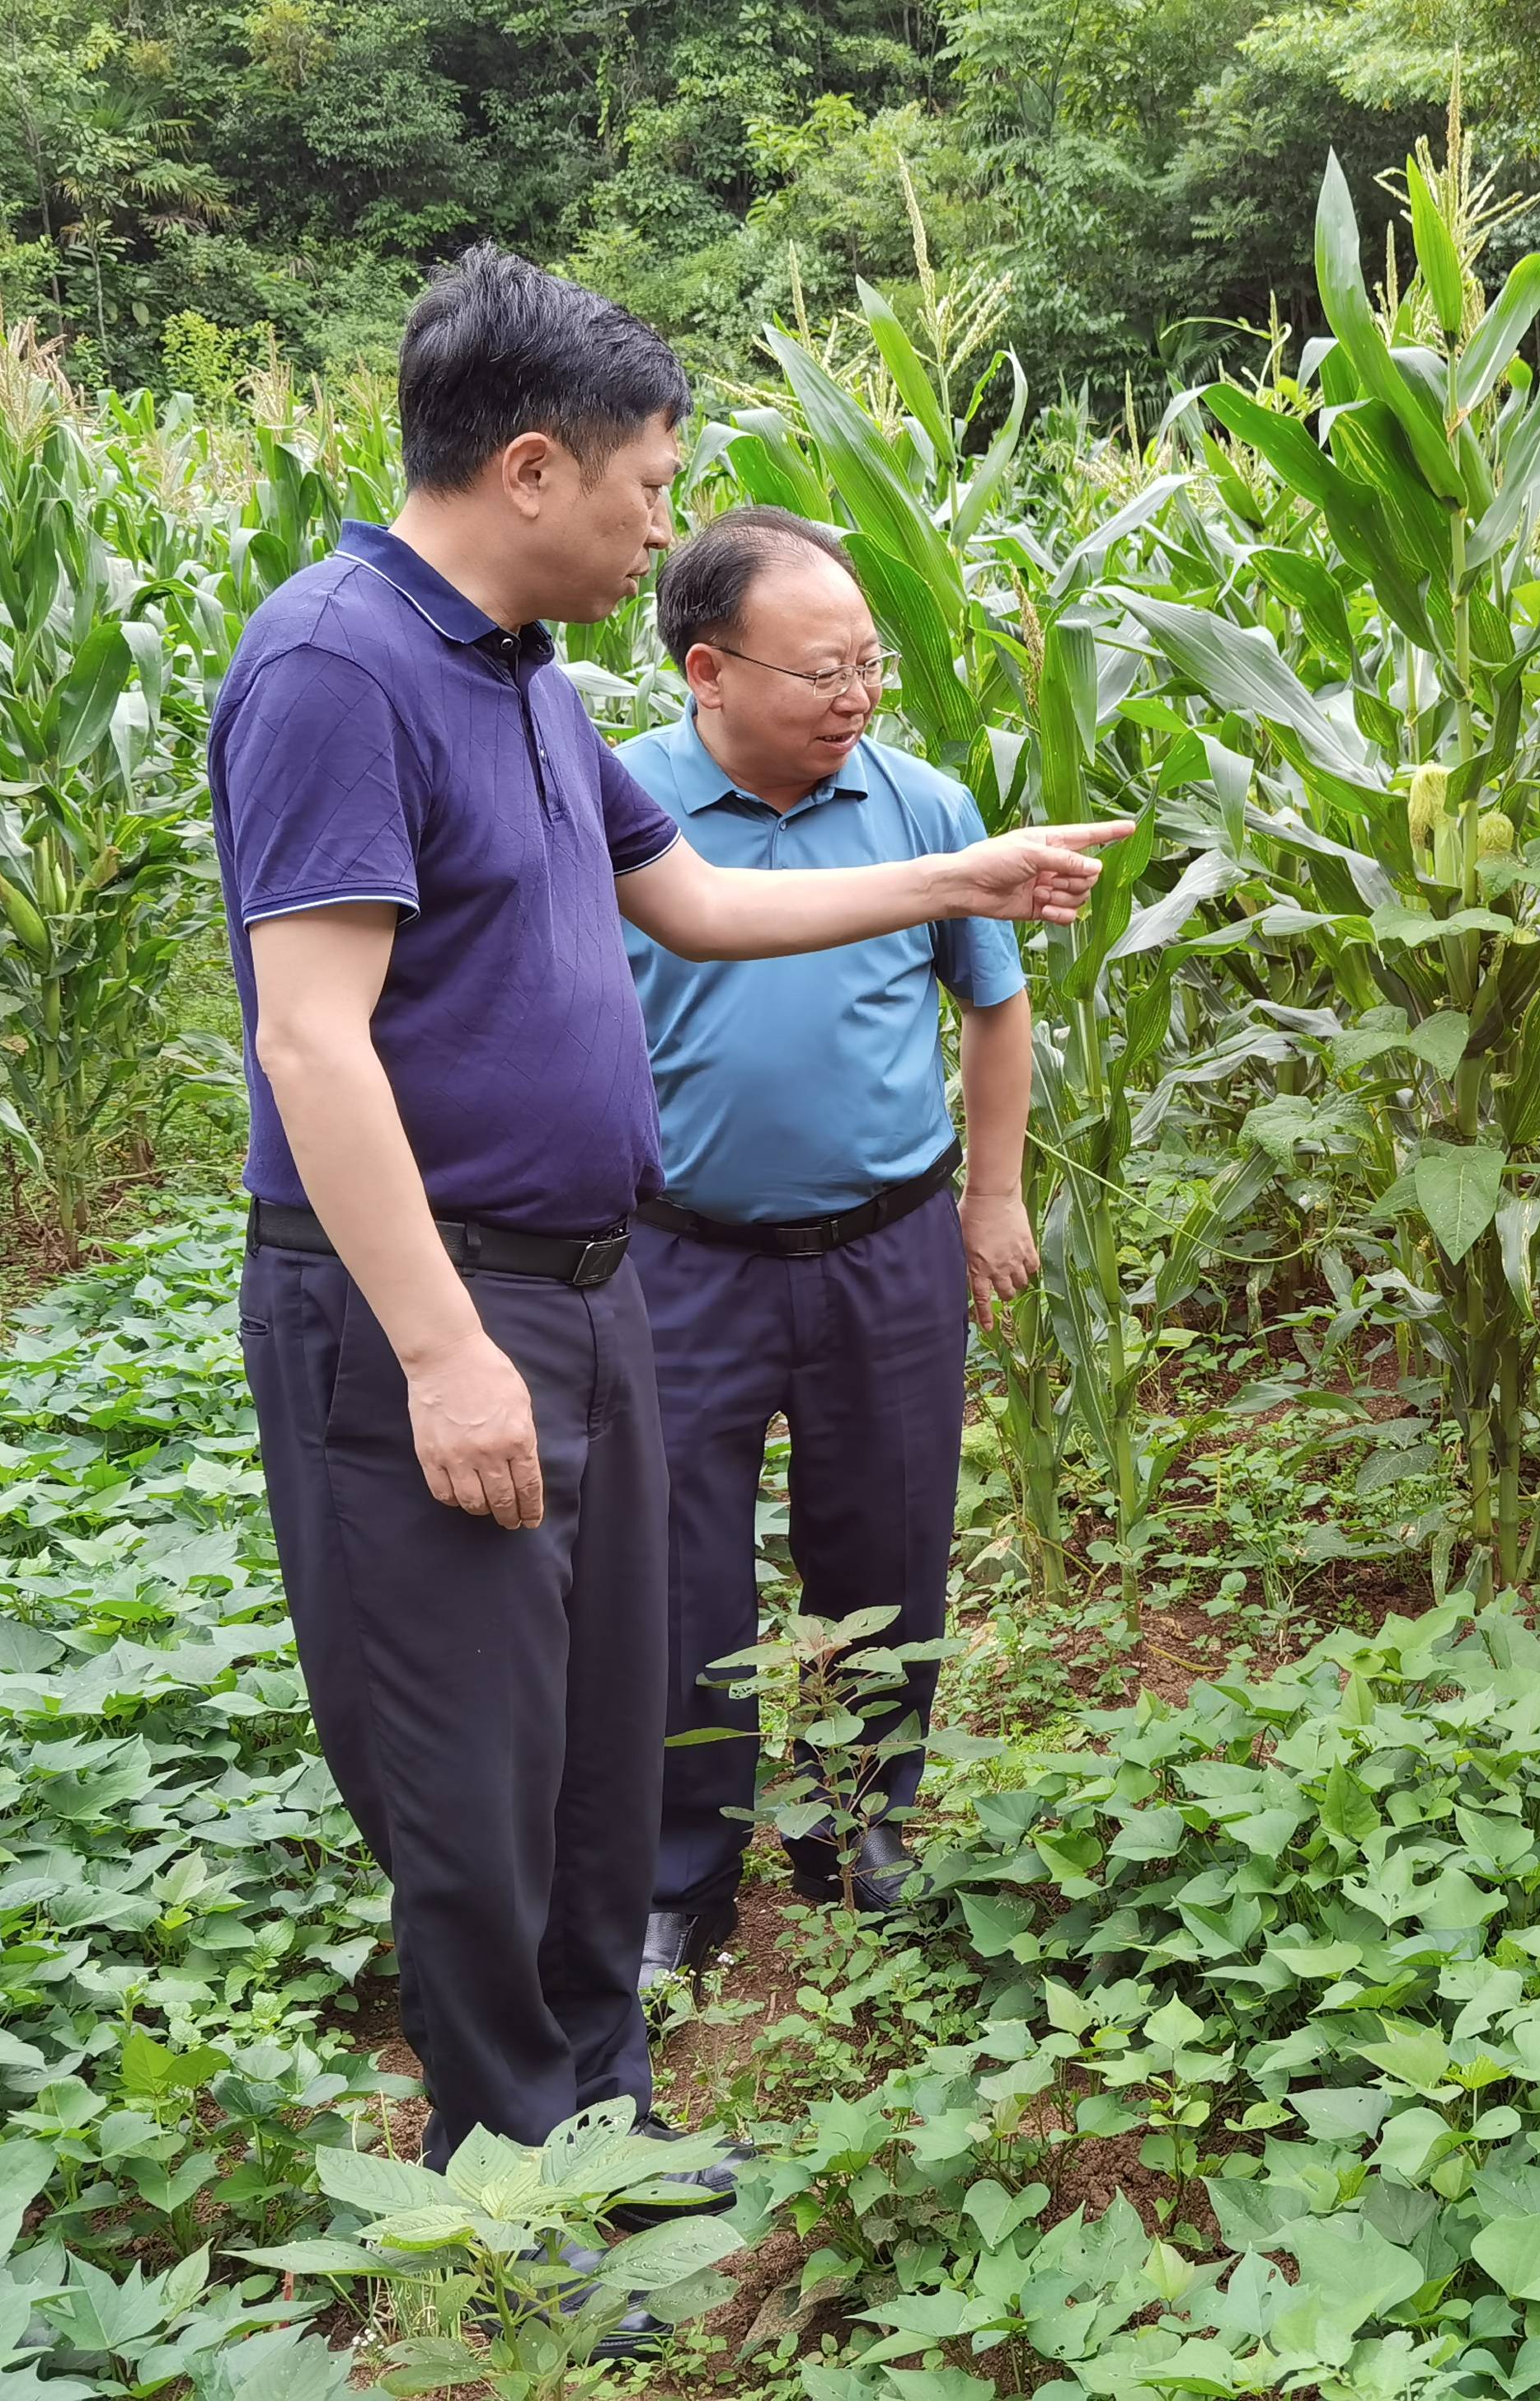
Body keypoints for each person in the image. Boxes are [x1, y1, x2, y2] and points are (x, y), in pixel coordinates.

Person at [209, 247, 1125, 2174]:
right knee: (473, 1772)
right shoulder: (332, 667)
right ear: (532, 467)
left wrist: (954, 872)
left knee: (598, 1731)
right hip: (435, 1306)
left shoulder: (525, 683)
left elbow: (698, 907)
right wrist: (445, 1353)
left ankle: (602, 2122)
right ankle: (519, 2172)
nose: (659, 528)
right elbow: (312, 1042)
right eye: (649, 484)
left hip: (591, 1283)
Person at [617, 508, 1039, 1990]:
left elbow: (994, 1004)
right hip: (680, 1258)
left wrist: (993, 1197)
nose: (856, 697)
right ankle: (682, 1867)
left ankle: (862, 1823)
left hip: (889, 1247)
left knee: (891, 1542)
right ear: (706, 670)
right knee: (677, 1575)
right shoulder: (620, 812)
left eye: (870, 665)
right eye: (822, 672)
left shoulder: (921, 802)